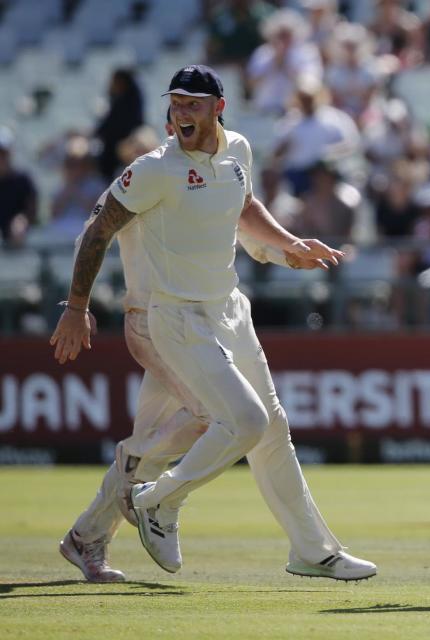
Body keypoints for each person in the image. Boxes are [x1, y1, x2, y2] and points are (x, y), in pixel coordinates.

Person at [50, 65, 376, 582]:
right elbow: (97, 229)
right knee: (238, 421)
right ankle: (155, 501)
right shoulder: (155, 168)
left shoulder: (239, 150)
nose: (181, 112)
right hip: (168, 318)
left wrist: (289, 245)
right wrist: (75, 306)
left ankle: (311, 550)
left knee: (259, 430)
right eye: (175, 102)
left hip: (226, 310)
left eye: (193, 104)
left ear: (218, 108)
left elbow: (243, 205)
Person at [0, 127, 37, 248]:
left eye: (3, 153)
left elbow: (32, 213)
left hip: (18, 246)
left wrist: (22, 221)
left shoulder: (23, 180)